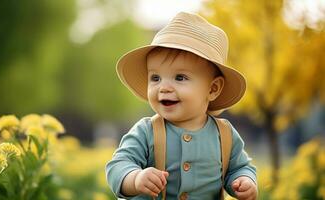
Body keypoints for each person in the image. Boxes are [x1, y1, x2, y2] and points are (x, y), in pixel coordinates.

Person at [106, 12, 257, 199]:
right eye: (155, 78)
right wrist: (135, 178)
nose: (163, 87)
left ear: (213, 88)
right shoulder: (146, 131)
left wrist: (244, 181)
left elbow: (240, 167)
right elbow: (118, 165)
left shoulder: (224, 135)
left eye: (180, 77)